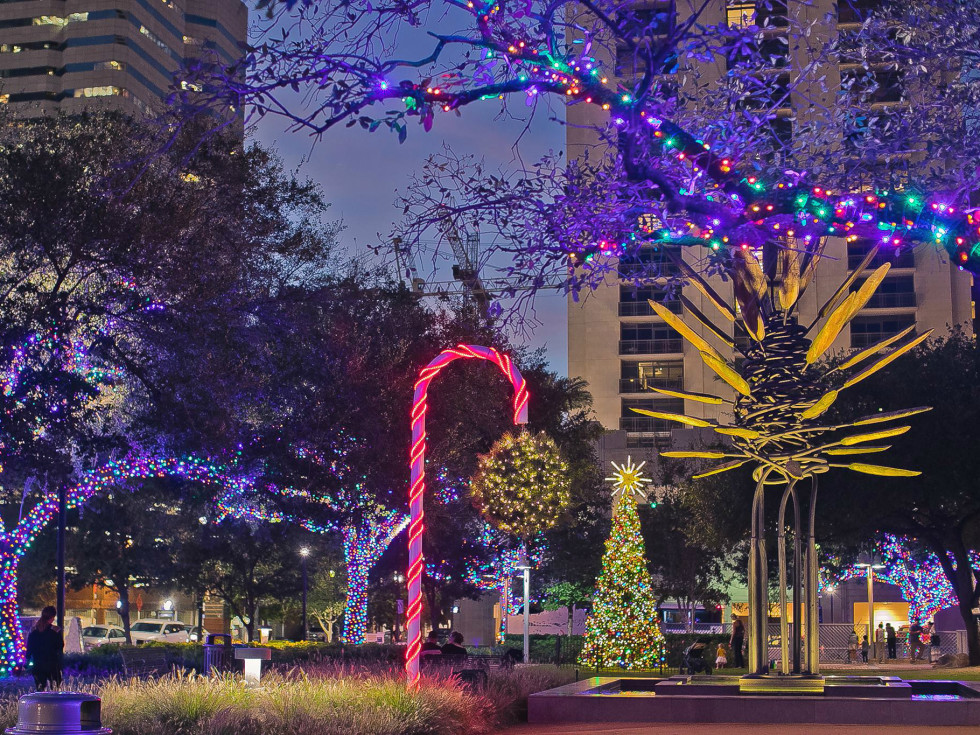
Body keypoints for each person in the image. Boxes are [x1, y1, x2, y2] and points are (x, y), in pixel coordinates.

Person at [26, 606, 63, 691]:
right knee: (55, 690)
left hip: (38, 665)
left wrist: (27, 660)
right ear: (52, 617)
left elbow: (29, 648)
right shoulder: (55, 631)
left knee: (40, 690)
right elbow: (60, 646)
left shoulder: (33, 630)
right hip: (52, 665)